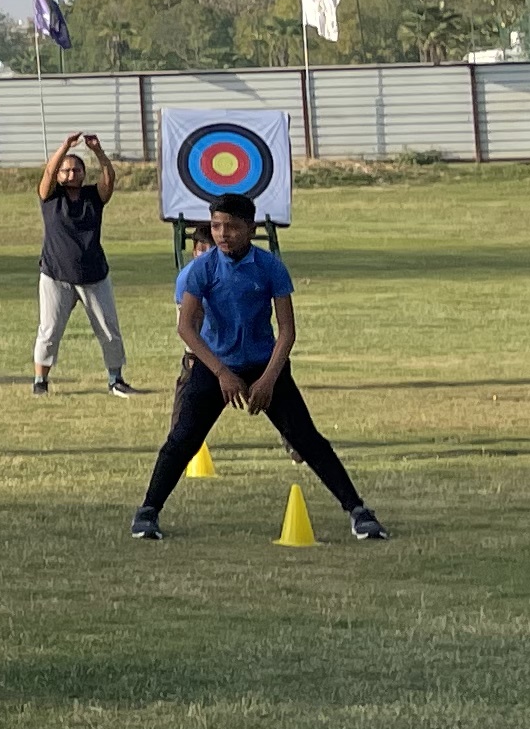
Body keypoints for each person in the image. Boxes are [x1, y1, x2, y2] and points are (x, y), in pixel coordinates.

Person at [131, 193, 384, 540]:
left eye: (232, 227)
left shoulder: (270, 267)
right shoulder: (201, 269)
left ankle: (358, 511)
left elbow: (287, 330)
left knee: (307, 440)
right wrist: (221, 373)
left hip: (265, 366)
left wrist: (267, 380)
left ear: (251, 229)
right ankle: (148, 512)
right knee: (182, 440)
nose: (223, 234)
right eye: (217, 226)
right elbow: (185, 327)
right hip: (214, 366)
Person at [31, 133, 134, 396]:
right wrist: (65, 145)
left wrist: (98, 152)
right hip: (55, 276)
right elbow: (48, 173)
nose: (70, 174)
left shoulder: (93, 196)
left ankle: (115, 379)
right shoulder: (51, 197)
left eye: (76, 169)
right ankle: (40, 382)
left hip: (94, 275)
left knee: (109, 330)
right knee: (50, 331)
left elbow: (109, 178)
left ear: (84, 172)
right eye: (65, 170)